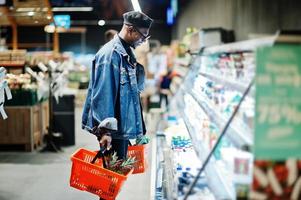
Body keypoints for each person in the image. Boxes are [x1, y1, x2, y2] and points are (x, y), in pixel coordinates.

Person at [82, 11, 153, 160]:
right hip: (113, 132)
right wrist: (105, 132)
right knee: (112, 177)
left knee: (118, 173)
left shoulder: (126, 53)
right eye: (143, 35)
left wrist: (139, 130)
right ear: (130, 29)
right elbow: (103, 94)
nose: (144, 41)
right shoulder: (110, 55)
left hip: (121, 128)